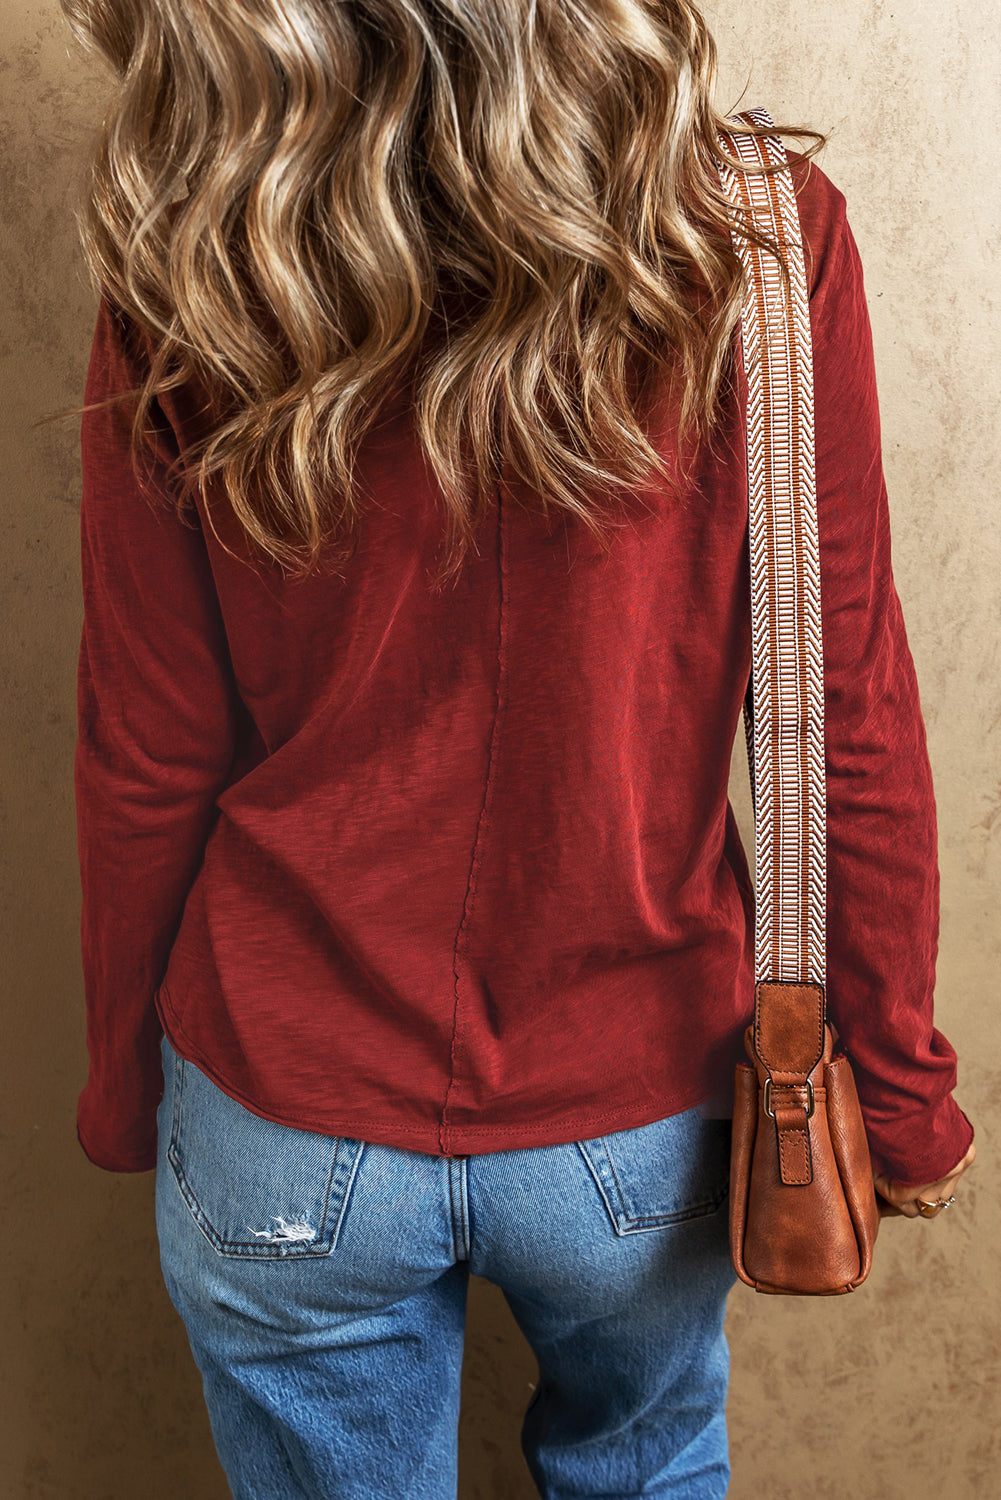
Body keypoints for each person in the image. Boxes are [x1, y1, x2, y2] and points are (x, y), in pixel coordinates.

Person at [60, 1, 975, 1495]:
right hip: (637, 1121)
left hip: (287, 1105)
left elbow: (146, 749)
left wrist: (121, 1089)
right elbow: (839, 711)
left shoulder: (192, 253)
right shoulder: (758, 234)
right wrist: (899, 1089)